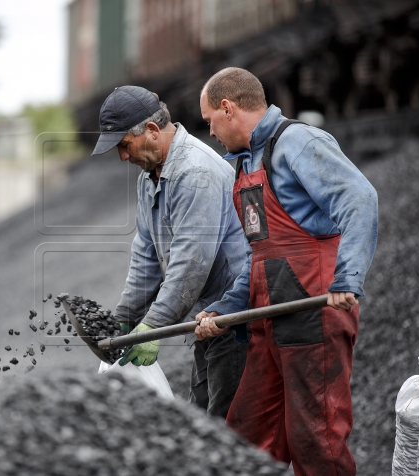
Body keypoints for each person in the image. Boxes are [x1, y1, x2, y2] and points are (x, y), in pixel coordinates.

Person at [195, 67, 378, 475]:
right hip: (270, 320)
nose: (210, 132)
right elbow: (262, 256)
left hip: (313, 313)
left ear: (228, 108)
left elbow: (359, 198)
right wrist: (224, 309)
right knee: (248, 436)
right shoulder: (245, 164)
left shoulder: (296, 142)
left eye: (209, 121)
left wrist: (347, 279)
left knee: (317, 438)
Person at [91, 85, 249, 418]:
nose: (122, 157)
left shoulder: (195, 172)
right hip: (208, 321)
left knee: (229, 428)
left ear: (151, 131)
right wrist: (123, 320)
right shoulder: (150, 178)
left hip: (237, 318)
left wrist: (152, 326)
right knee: (205, 419)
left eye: (124, 146)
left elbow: (191, 263)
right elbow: (146, 258)